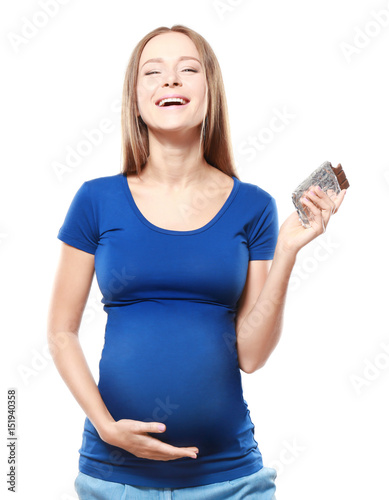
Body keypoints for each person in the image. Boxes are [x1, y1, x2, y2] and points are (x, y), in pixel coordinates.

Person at [47, 24, 347, 500]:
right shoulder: (95, 200)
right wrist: (105, 427)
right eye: (154, 72)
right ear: (135, 97)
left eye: (188, 70)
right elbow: (61, 332)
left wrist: (288, 248)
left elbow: (250, 355)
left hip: (231, 481)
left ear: (211, 92)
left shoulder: (253, 206)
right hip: (114, 481)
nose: (171, 80)